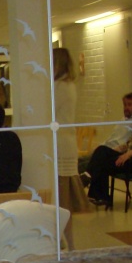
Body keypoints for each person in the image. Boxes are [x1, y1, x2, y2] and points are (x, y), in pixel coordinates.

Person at [53, 47, 88, 250]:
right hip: (65, 143)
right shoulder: (69, 85)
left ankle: (66, 242)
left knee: (62, 201)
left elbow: (48, 112)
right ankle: (65, 241)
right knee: (62, 202)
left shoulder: (60, 87)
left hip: (61, 146)